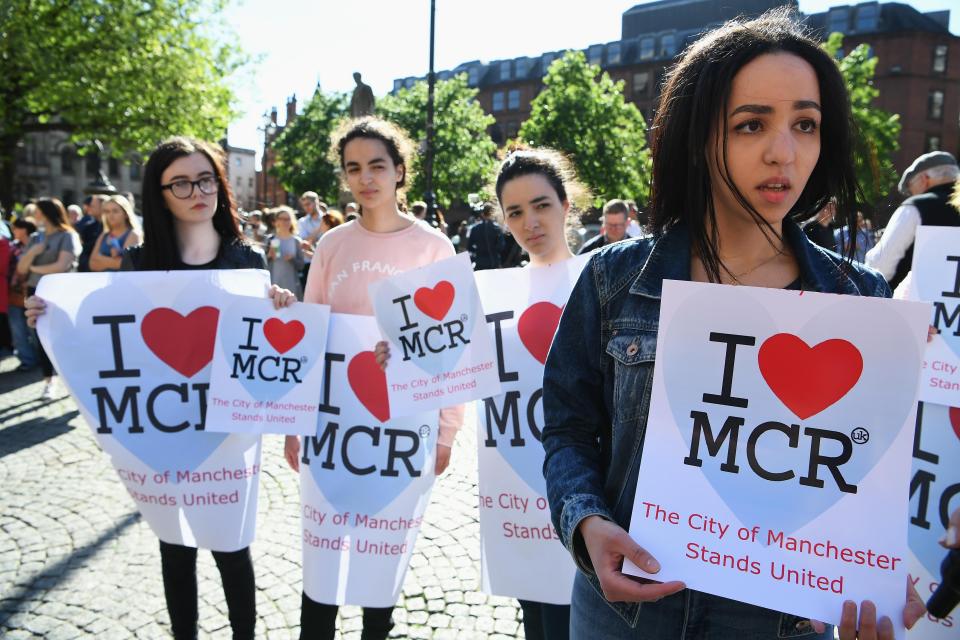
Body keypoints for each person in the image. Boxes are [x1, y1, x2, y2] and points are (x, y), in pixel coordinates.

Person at [542, 10, 925, 640]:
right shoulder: (614, 280)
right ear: (699, 138)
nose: (784, 152)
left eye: (806, 124)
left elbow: (865, 471)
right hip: (628, 612)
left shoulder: (863, 298)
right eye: (752, 125)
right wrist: (586, 521)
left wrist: (877, 570)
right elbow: (567, 427)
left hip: (783, 621)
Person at [26, 136, 296, 640]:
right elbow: (104, 335)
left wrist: (280, 309)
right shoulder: (140, 263)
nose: (198, 191)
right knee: (174, 545)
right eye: (182, 183)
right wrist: (51, 314)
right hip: (164, 423)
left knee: (232, 546)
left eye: (206, 178)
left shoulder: (248, 263)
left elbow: (269, 356)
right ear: (161, 193)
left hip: (226, 432)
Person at [283, 116, 462, 640]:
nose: (366, 178)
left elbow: (450, 347)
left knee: (380, 560)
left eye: (377, 165)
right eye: (353, 168)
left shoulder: (434, 248)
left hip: (400, 426)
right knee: (321, 562)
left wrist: (447, 432)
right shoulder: (334, 243)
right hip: (332, 428)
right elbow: (311, 334)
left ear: (400, 170)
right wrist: (294, 422)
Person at [492, 146, 592, 639]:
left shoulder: (600, 280)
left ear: (566, 204)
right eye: (515, 212)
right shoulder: (494, 296)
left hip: (593, 490)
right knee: (538, 619)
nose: (530, 221)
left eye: (541, 204)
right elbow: (447, 366)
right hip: (519, 495)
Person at [866, 151, 960, 289]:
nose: (911, 194)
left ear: (925, 179)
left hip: (910, 307)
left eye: (910, 188)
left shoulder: (916, 207)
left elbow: (879, 267)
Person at [16, 198, 81, 399]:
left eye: (37, 211)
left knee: (66, 337)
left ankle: (75, 380)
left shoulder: (67, 236)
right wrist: (33, 253)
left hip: (61, 293)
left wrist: (34, 267)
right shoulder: (36, 238)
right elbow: (20, 268)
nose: (34, 215)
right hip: (37, 292)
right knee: (41, 337)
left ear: (45, 213)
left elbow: (61, 266)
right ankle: (49, 381)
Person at [8, 217, 39, 371]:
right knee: (18, 329)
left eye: (16, 228)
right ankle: (27, 360)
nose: (13, 231)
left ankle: (43, 360)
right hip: (15, 293)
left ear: (25, 229)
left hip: (33, 292)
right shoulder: (12, 247)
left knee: (35, 329)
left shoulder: (38, 246)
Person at [89, 195, 141, 272]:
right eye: (107, 211)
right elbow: (92, 264)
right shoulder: (104, 235)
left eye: (115, 211)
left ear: (126, 214)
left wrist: (100, 259)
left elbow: (126, 264)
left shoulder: (133, 234)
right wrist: (115, 261)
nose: (110, 215)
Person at [267, 205, 305, 300]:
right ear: (276, 221)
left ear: (291, 221)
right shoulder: (271, 239)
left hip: (291, 285)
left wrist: (292, 259)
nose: (284, 222)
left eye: (287, 219)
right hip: (274, 284)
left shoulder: (296, 241)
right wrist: (269, 257)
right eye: (282, 219)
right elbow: (262, 266)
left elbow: (301, 266)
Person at [297, 192, 326, 291]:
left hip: (327, 262)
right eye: (304, 205)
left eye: (308, 204)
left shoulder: (329, 218)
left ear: (316, 202)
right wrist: (319, 229)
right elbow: (305, 243)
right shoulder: (302, 222)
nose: (306, 207)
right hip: (309, 264)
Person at [467, 202, 505, 270]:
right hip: (494, 262)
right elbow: (501, 246)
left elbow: (469, 246)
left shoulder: (475, 228)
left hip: (480, 262)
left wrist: (479, 251)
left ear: (482, 213)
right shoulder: (496, 228)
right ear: (493, 214)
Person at [75, 194, 104, 272]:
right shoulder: (89, 226)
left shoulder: (112, 229)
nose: (89, 208)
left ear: (103, 207)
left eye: (92, 206)